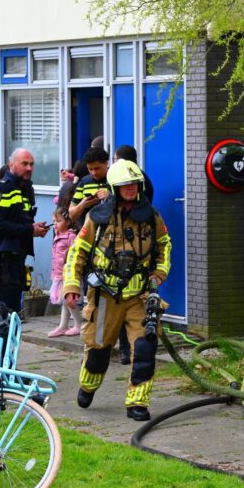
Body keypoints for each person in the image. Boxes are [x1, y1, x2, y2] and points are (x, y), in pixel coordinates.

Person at [63, 159, 171, 421]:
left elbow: (164, 245)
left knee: (145, 350)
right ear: (115, 187)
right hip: (104, 296)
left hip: (139, 296)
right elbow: (77, 253)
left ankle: (137, 403)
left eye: (134, 184)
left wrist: (159, 273)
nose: (131, 188)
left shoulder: (152, 216)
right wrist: (71, 285)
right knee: (98, 351)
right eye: (125, 185)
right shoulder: (98, 218)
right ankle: (88, 386)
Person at [0, 149, 50, 312]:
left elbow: (18, 221)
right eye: (24, 164)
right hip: (3, 258)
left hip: (16, 257)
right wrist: (30, 229)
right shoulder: (1, 189)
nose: (29, 168)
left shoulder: (24, 188)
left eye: (31, 164)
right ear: (11, 165)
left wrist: (34, 228)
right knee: (6, 311)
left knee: (13, 312)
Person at [111, 147, 154, 366]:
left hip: (136, 273)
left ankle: (127, 350)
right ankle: (123, 349)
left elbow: (161, 241)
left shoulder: (141, 186)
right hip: (113, 277)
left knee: (138, 320)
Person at [47, 208, 82, 337]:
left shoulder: (71, 236)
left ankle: (79, 324)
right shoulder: (57, 236)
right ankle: (63, 326)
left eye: (59, 221)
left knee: (68, 299)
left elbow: (75, 255)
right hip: (58, 274)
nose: (55, 224)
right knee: (64, 300)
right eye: (54, 221)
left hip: (68, 275)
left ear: (68, 222)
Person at [68, 146, 110, 229]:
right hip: (88, 233)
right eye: (90, 169)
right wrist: (82, 205)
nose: (94, 173)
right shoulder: (84, 182)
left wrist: (110, 197)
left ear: (106, 163)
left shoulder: (115, 180)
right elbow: (71, 215)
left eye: (97, 168)